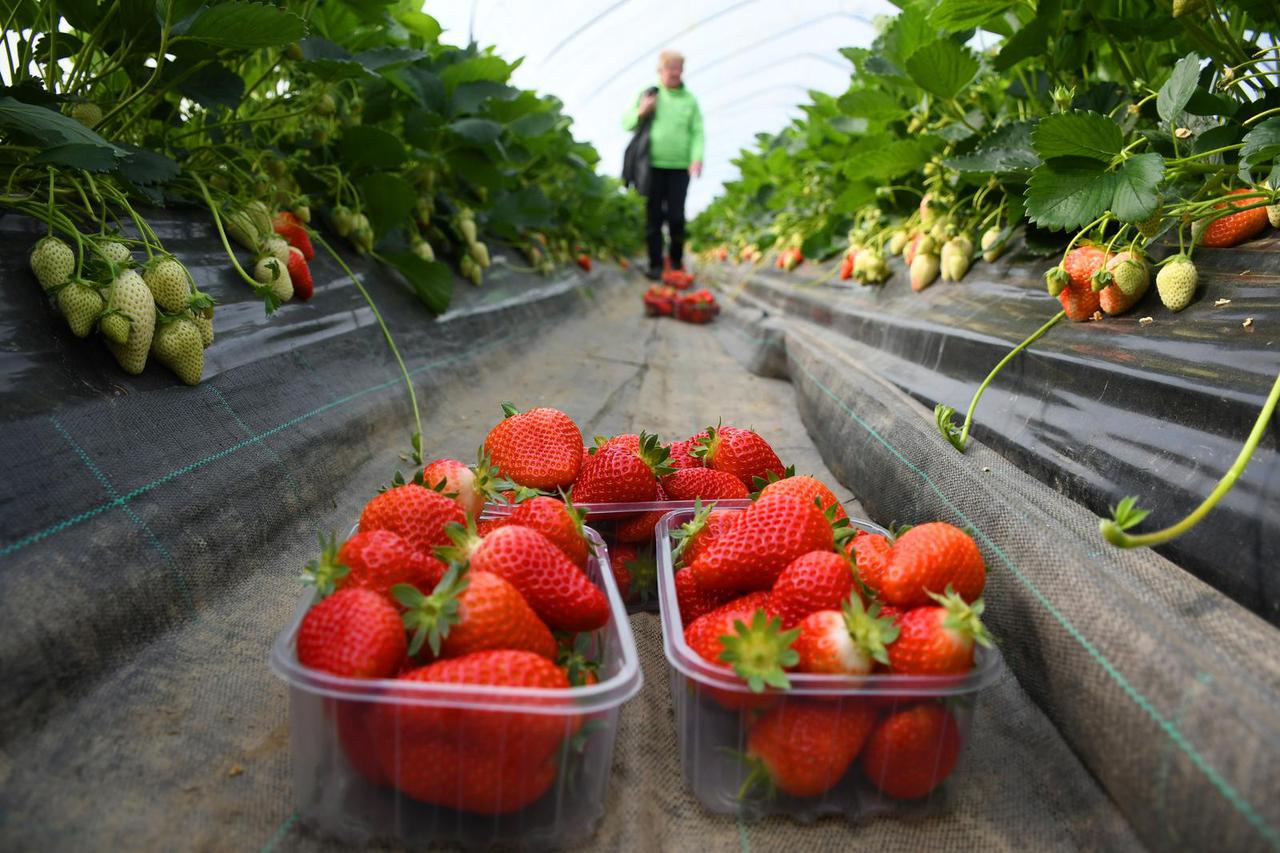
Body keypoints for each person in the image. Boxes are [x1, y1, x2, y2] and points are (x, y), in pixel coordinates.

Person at [622, 50, 704, 281]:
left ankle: (676, 263)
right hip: (650, 166)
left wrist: (696, 157)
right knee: (653, 218)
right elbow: (626, 122)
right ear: (660, 70)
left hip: (679, 167)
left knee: (677, 217)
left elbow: (697, 132)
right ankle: (656, 265)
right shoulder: (650, 94)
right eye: (670, 68)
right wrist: (642, 110)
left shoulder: (689, 100)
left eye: (678, 68)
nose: (675, 72)